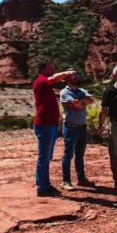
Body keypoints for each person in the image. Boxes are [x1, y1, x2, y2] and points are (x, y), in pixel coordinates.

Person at [31, 61, 75, 197]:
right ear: (43, 68)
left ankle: (45, 184)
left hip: (49, 125)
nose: (53, 70)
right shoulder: (40, 81)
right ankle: (41, 187)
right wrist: (67, 73)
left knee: (46, 156)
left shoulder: (45, 84)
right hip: (44, 125)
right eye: (51, 68)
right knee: (43, 157)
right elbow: (54, 78)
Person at [59, 72, 96, 190]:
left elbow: (91, 100)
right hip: (70, 128)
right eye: (72, 76)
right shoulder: (64, 92)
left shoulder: (81, 90)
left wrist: (80, 102)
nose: (75, 78)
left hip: (82, 127)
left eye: (76, 76)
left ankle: (81, 179)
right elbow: (74, 105)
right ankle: (66, 181)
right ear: (67, 79)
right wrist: (82, 102)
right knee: (68, 154)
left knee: (79, 155)